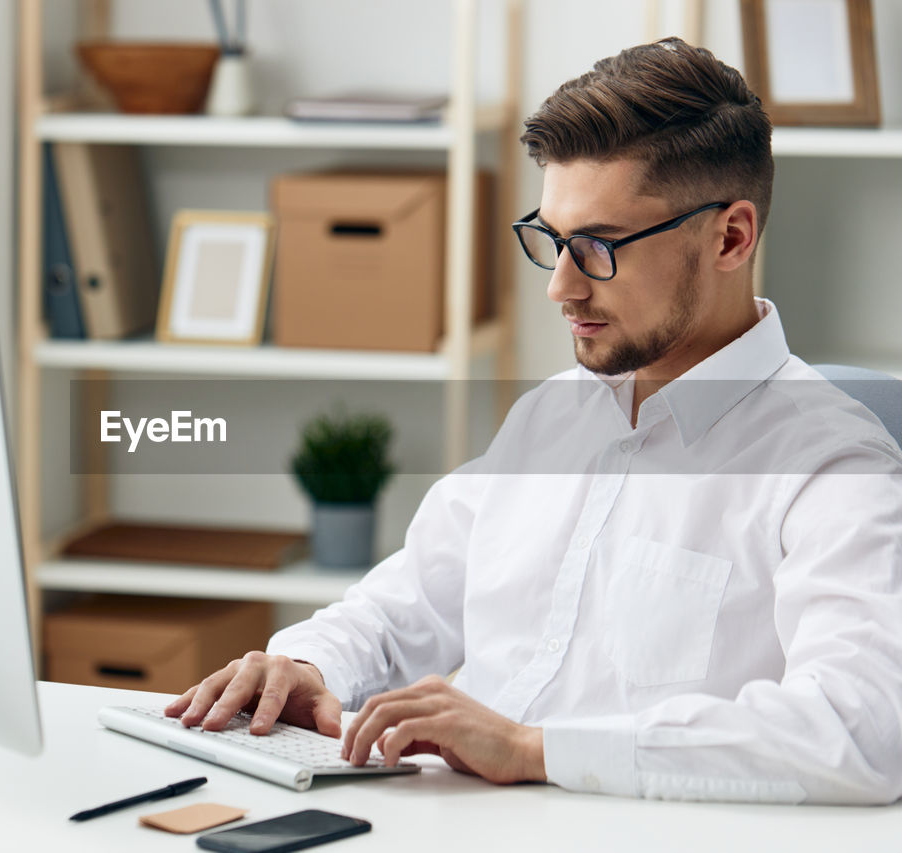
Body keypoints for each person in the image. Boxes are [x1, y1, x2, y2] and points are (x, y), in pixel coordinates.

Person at [165, 38, 902, 804]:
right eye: (552, 239)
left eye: (600, 246)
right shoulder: (550, 415)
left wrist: (532, 748)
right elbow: (407, 601)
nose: (561, 286)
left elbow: (861, 729)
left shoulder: (834, 464)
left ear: (730, 237)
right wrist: (309, 666)